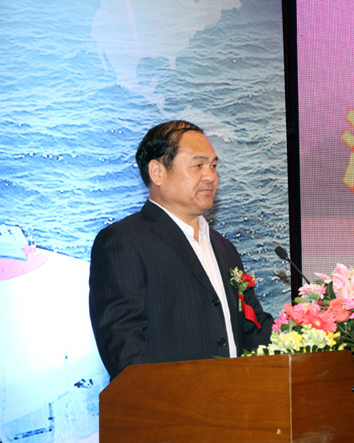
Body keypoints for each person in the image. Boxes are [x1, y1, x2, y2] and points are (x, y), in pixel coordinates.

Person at [89, 120, 274, 380]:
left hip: (236, 399)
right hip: (170, 403)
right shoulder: (123, 241)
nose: (210, 176)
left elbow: (253, 329)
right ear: (157, 172)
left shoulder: (224, 248)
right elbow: (124, 346)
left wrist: (314, 333)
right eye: (198, 165)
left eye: (213, 166)